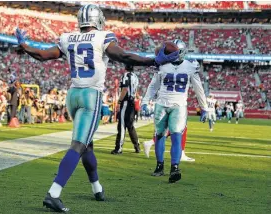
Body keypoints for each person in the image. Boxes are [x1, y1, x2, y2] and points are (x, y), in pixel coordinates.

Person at [15, 4, 179, 212]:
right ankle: (53, 193)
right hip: (90, 96)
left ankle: (97, 188)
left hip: (73, 95)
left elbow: (42, 55)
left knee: (87, 147)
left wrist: (25, 45)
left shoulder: (68, 38)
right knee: (78, 145)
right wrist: (152, 61)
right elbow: (124, 57)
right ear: (97, 20)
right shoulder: (103, 37)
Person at [141, 39, 208, 183]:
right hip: (167, 105)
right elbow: (153, 86)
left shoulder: (184, 66)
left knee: (174, 137)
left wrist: (204, 107)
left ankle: (173, 168)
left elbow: (198, 88)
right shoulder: (183, 66)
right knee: (161, 136)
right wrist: (145, 101)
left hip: (173, 106)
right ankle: (162, 166)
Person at [111, 65, 140, 154]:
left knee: (122, 125)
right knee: (130, 125)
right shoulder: (135, 76)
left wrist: (119, 101)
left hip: (126, 102)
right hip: (132, 102)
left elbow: (125, 89)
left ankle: (118, 148)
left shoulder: (126, 75)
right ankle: (137, 145)